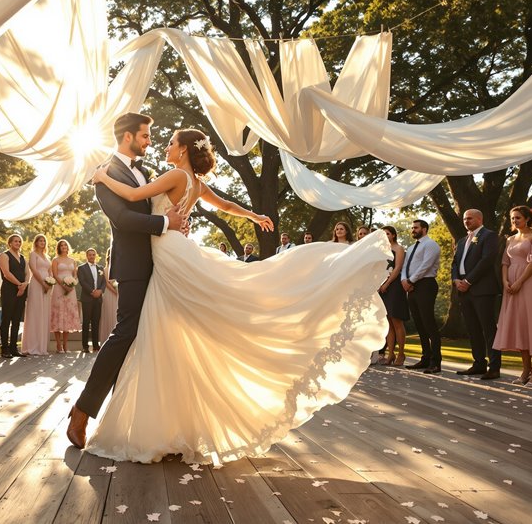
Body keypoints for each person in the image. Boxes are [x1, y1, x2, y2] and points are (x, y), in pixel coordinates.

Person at [81, 125, 390, 464]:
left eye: (170, 142)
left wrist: (102, 177)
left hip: (168, 253)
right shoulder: (195, 183)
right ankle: (169, 422)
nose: (164, 146)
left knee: (163, 328)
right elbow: (226, 205)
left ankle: (155, 422)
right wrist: (253, 215)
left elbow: (132, 196)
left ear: (183, 150)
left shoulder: (175, 176)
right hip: (173, 248)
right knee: (173, 328)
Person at [65, 113, 186, 448]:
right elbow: (121, 218)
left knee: (150, 337)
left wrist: (175, 224)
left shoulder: (145, 171)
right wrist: (166, 223)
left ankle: (130, 418)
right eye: (145, 135)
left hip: (159, 263)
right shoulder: (104, 174)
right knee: (126, 333)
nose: (150, 141)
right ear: (128, 136)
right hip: (132, 264)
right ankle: (82, 410)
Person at [494, 206, 532, 387]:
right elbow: (505, 262)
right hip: (511, 286)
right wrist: (505, 281)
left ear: (527, 218)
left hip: (530, 283)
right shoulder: (510, 239)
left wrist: (519, 282)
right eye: (513, 218)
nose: (514, 221)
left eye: (518, 217)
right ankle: (525, 369)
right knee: (520, 325)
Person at [451, 209, 501, 380]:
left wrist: (468, 281)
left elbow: (487, 260)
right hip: (463, 289)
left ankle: (494, 367)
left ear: (480, 218)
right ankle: (479, 363)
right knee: (472, 328)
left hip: (482, 289)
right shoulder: (462, 240)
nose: (466, 221)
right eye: (465, 219)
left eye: (470, 218)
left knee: (488, 328)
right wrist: (456, 280)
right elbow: (455, 263)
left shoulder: (489, 236)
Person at [401, 219, 441, 374]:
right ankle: (425, 358)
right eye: (412, 228)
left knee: (428, 323)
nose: (413, 230)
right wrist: (404, 280)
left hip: (426, 285)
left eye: (416, 228)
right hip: (411, 287)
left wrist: (411, 280)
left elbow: (426, 265)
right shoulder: (411, 248)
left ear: (424, 229)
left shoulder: (431, 245)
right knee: (419, 324)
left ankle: (435, 362)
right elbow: (405, 266)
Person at [377, 226, 409, 366]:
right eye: (383, 234)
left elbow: (397, 268)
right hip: (382, 287)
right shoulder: (381, 250)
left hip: (394, 286)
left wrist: (387, 283)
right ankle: (390, 354)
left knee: (396, 320)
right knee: (388, 321)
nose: (385, 236)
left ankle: (401, 353)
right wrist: (379, 283)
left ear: (394, 235)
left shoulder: (399, 249)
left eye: (388, 233)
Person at [0, 234, 29, 358]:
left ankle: (14, 348)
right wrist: (19, 284)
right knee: (6, 319)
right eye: (15, 241)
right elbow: (6, 273)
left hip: (22, 290)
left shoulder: (23, 257)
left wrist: (24, 284)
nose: (18, 243)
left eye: (19, 241)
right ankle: (4, 348)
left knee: (16, 319)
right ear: (10, 243)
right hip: (9, 290)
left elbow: (27, 273)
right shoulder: (4, 255)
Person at [21, 234, 52, 355]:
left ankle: (42, 345)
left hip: (47, 286)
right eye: (40, 241)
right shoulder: (33, 254)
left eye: (44, 241)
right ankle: (32, 345)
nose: (42, 242)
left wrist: (50, 283)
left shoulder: (47, 256)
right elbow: (34, 270)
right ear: (36, 242)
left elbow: (50, 271)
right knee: (35, 312)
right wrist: (43, 283)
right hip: (37, 284)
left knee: (44, 313)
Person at [50, 239, 82, 353]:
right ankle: (58, 345)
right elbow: (55, 275)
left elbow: (75, 275)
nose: (64, 246)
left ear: (68, 247)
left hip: (71, 290)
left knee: (68, 315)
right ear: (59, 248)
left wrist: (72, 284)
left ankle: (65, 345)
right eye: (61, 245)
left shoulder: (73, 261)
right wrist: (63, 285)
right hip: (59, 288)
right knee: (58, 314)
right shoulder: (55, 260)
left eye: (65, 245)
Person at [78, 247, 106, 353]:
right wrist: (92, 291)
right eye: (89, 255)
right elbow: (82, 282)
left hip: (98, 299)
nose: (91, 256)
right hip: (87, 298)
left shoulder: (100, 268)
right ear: (87, 256)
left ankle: (96, 346)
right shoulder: (82, 268)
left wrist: (100, 291)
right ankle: (85, 346)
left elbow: (104, 282)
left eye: (93, 254)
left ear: (96, 256)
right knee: (86, 322)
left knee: (96, 322)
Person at [98, 248, 118, 344]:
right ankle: (106, 339)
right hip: (109, 294)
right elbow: (106, 283)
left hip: (118, 293)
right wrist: (115, 292)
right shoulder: (105, 269)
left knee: (115, 315)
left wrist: (118, 291)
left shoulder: (119, 268)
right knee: (109, 314)